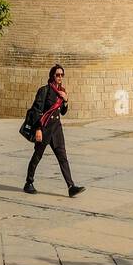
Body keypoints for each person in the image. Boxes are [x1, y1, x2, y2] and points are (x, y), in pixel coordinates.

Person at [24, 64, 85, 197]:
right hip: (44, 129)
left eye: (62, 75)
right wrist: (38, 129)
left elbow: (62, 112)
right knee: (37, 156)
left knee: (63, 158)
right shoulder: (44, 90)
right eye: (57, 75)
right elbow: (36, 111)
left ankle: (71, 186)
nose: (60, 77)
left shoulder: (62, 91)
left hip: (57, 130)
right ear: (52, 75)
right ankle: (29, 182)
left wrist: (66, 100)